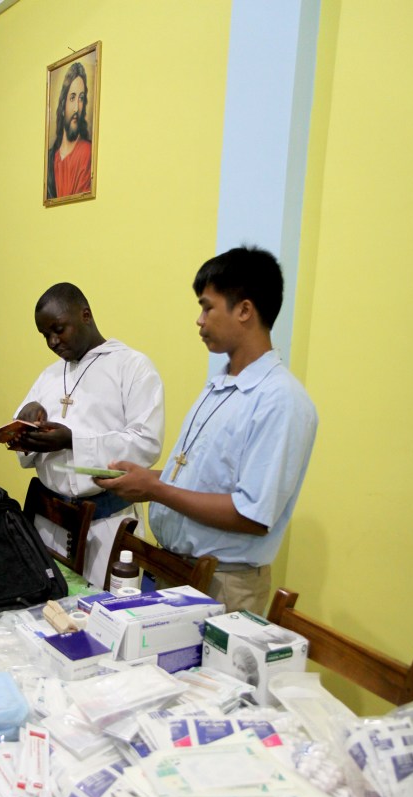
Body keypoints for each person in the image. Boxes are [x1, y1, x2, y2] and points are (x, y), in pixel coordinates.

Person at [96, 246, 318, 615]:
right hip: (178, 569)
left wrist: (155, 489)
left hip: (224, 585)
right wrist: (145, 478)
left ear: (244, 310)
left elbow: (251, 514)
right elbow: (203, 479)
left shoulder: (280, 400)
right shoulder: (221, 385)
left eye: (207, 307)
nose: (199, 320)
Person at [11, 282, 164, 587]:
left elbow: (146, 444)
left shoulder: (133, 368)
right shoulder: (50, 375)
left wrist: (72, 442)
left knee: (103, 608)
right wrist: (26, 427)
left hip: (107, 523)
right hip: (51, 519)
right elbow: (23, 449)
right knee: (52, 604)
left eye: (58, 329)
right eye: (45, 335)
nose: (53, 341)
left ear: (85, 315)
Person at [46, 61, 92, 200]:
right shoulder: (51, 158)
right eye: (72, 98)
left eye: (81, 98)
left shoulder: (87, 152)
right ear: (63, 104)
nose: (76, 108)